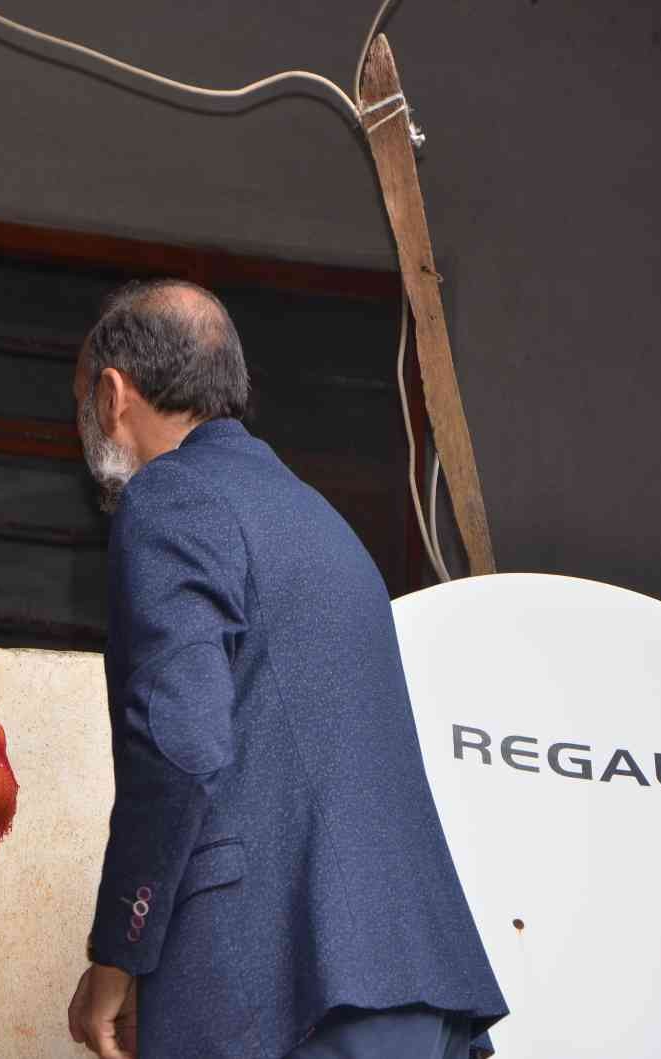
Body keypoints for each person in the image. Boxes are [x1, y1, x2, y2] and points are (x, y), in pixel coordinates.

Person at [64, 279, 507, 1059]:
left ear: (112, 394)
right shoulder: (315, 516)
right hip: (413, 988)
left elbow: (181, 746)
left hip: (283, 990)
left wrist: (117, 951)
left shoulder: (170, 496)